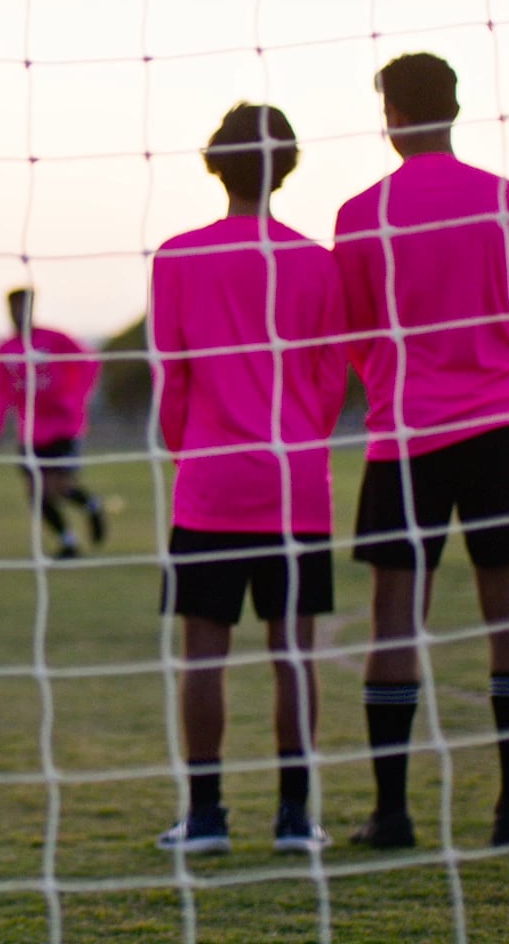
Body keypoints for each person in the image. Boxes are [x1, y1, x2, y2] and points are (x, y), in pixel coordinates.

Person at [334, 53, 509, 849]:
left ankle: (392, 814)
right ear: (456, 108)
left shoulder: (361, 214)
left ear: (389, 115)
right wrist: (502, 384)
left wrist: (397, 383)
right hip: (503, 428)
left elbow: (354, 332)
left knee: (394, 620)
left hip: (404, 436)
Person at [149, 104, 347, 855]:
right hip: (297, 486)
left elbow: (174, 379)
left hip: (210, 485)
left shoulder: (177, 257)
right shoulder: (318, 261)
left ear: (214, 163)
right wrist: (299, 441)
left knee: (205, 653)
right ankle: (296, 818)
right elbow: (333, 377)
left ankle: (204, 818)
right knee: (293, 654)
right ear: (287, 167)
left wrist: (188, 452)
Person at [0, 288, 106, 558]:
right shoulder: (6, 349)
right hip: (30, 431)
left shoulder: (55, 339)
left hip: (63, 426)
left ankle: (91, 505)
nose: (18, 313)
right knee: (35, 493)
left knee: (58, 488)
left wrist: (74, 397)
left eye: (23, 307)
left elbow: (89, 363)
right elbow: (0, 389)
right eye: (14, 307)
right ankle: (68, 542)